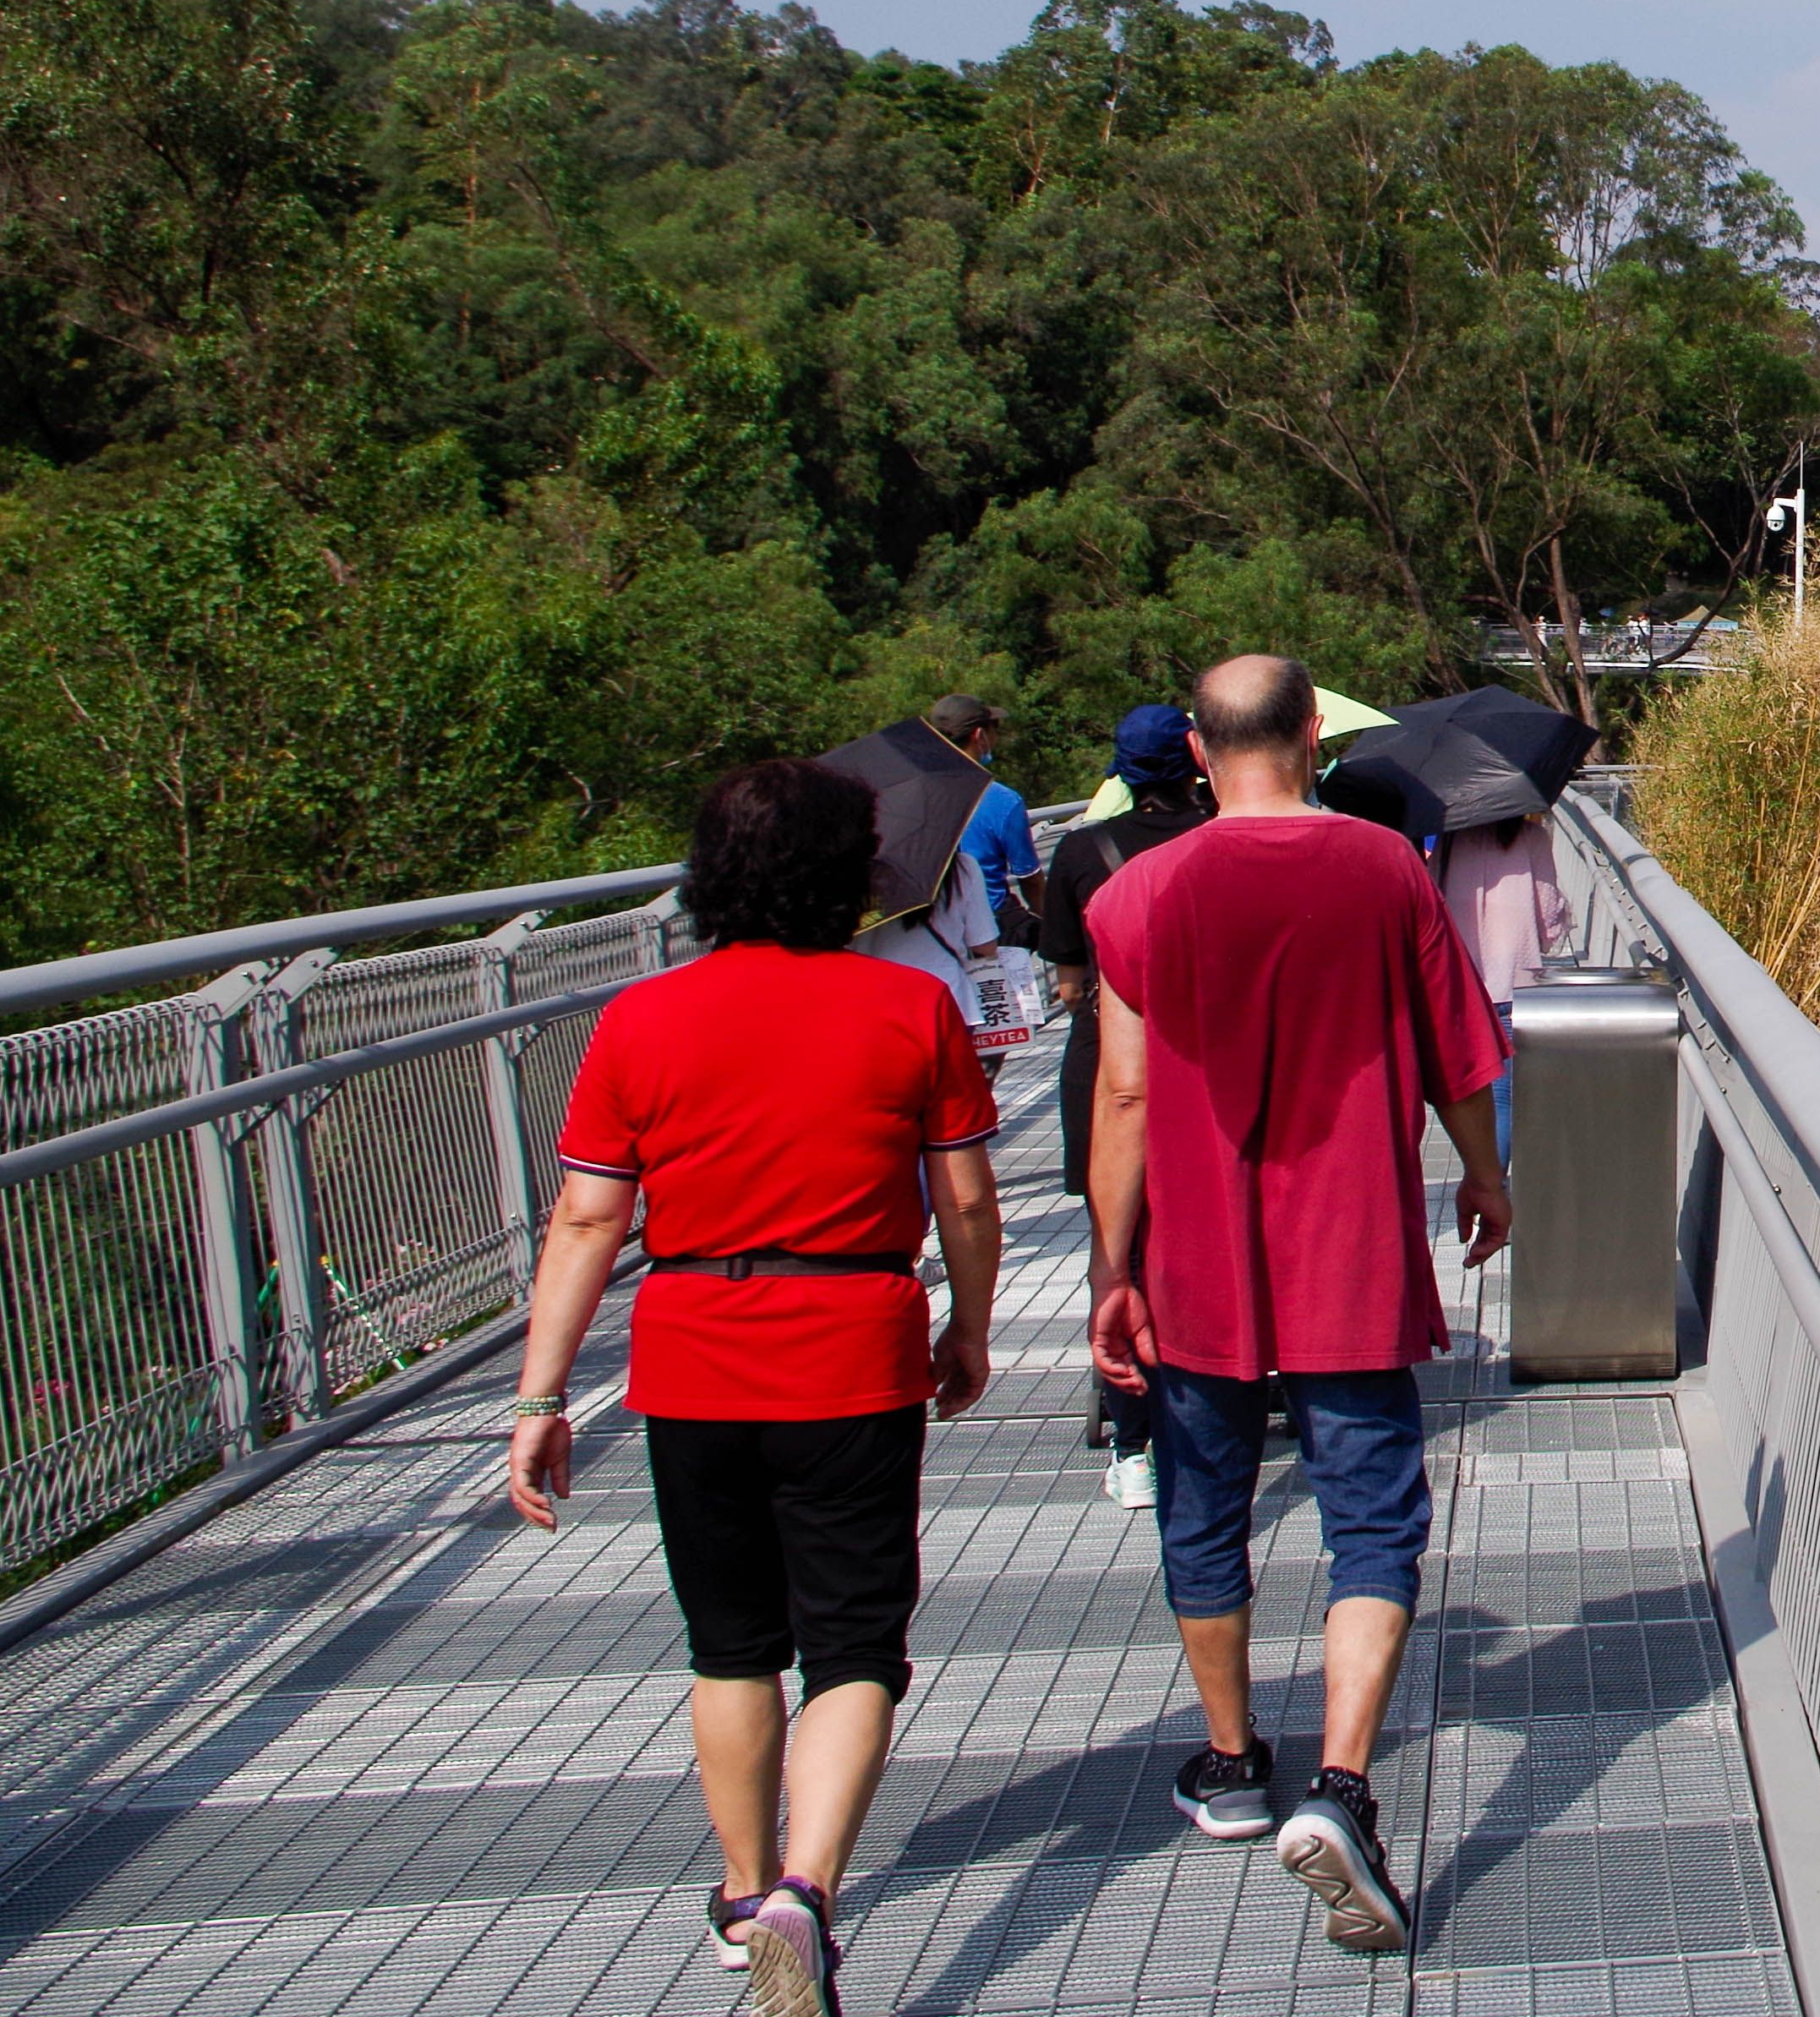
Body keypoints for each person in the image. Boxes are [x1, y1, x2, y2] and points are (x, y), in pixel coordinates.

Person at [508, 758, 1001, 2017]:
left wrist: (540, 1400)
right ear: (851, 876)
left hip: (692, 1355)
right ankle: (807, 1893)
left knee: (730, 1644)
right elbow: (964, 1199)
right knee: (853, 1646)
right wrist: (970, 1328)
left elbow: (586, 1220)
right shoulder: (911, 1007)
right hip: (853, 1347)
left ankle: (740, 1896)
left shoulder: (641, 1018)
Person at [1084, 654, 1509, 1955]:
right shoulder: (1386, 870)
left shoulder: (1137, 892)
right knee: (1372, 1520)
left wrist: (1112, 1268)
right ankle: (1340, 1786)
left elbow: (1125, 1095)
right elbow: (1452, 1055)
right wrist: (1488, 1178)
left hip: (1196, 1264)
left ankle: (1231, 1764)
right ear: (1314, 734)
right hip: (1352, 1249)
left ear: (1197, 751)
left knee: (1204, 1505)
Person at [1033, 702, 1218, 1511]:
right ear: (1196, 758)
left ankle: (1133, 1443)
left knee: (1122, 1252)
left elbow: (1069, 982)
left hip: (1106, 1061)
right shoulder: (1221, 838)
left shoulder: (1083, 850)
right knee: (1211, 1242)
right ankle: (1223, 1406)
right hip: (1207, 1064)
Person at [1436, 808, 1573, 1161]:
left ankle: (1475, 1174)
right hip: (1514, 987)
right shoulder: (1532, 838)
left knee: (1459, 1095)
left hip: (1460, 991)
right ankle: (1491, 1182)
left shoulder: (1449, 840)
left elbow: (1430, 903)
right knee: (1502, 1098)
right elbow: (1549, 919)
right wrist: (1564, 915)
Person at [929, 695, 1039, 921]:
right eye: (993, 728)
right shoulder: (1002, 800)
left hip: (941, 922)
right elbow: (1030, 880)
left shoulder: (922, 794)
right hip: (993, 920)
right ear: (979, 736)